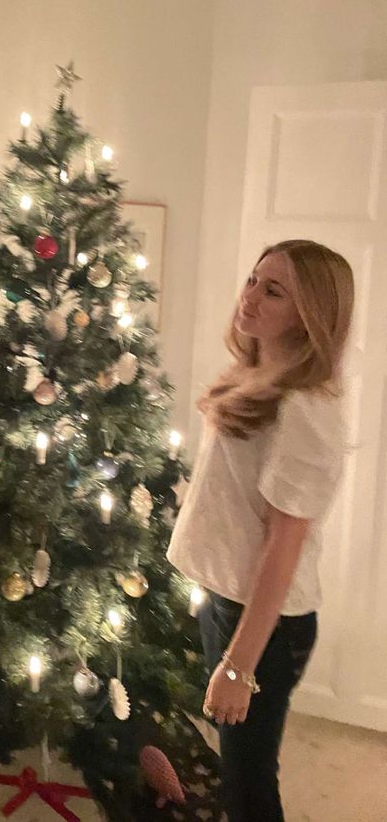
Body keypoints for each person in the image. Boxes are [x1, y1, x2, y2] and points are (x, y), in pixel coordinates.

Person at [167, 239, 353, 822]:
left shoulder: (304, 409)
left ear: (310, 313)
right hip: (227, 604)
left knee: (249, 787)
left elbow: (283, 549)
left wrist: (239, 667)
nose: (249, 295)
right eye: (253, 279)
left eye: (273, 290)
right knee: (236, 773)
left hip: (263, 628)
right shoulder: (257, 375)